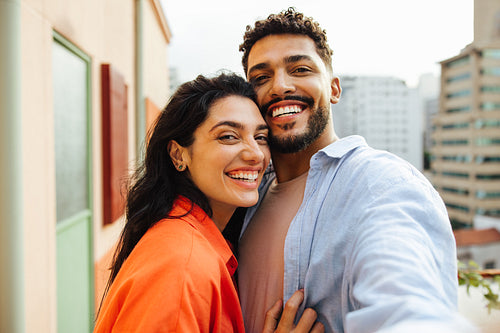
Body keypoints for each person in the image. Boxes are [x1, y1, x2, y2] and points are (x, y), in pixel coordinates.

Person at [236, 8, 477, 333]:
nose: (280, 86)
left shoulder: (381, 184)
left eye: (300, 69)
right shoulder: (246, 194)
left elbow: (405, 301)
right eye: (261, 77)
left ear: (334, 89)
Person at [93, 73, 324, 333]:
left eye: (260, 137)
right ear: (178, 154)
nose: (256, 154)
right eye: (228, 137)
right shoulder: (182, 265)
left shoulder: (199, 241)